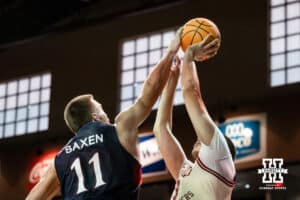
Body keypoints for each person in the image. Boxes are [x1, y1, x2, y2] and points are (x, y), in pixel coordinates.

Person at [26, 29, 182, 200]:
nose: (106, 115)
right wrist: (171, 52)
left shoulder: (60, 160)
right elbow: (150, 92)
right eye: (102, 110)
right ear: (94, 117)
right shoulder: (119, 128)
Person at [153, 35, 236, 200]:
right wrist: (171, 84)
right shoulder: (186, 171)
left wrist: (189, 56)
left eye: (204, 140)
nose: (199, 137)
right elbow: (160, 130)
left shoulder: (220, 156)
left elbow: (191, 92)